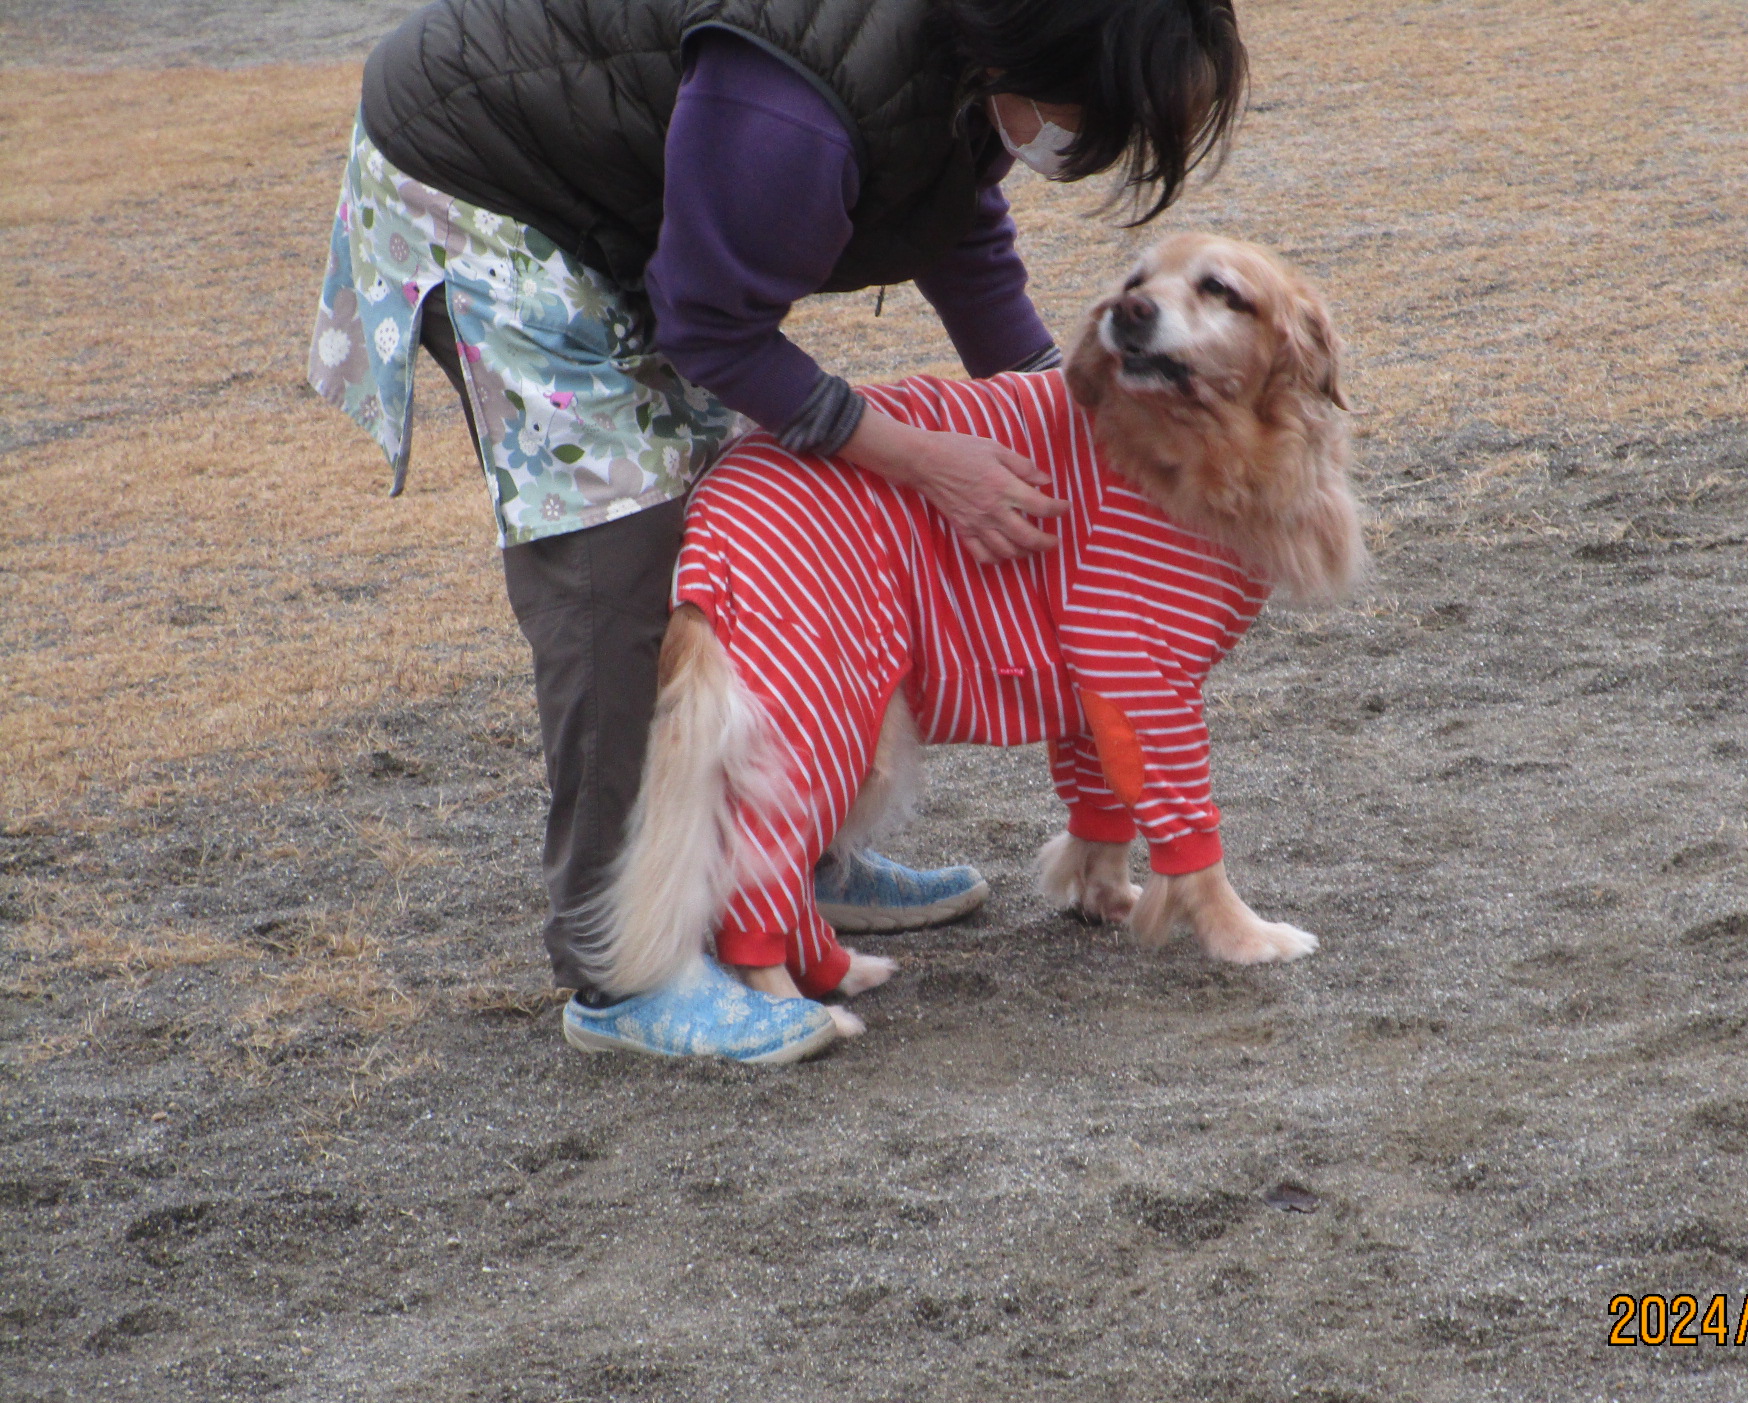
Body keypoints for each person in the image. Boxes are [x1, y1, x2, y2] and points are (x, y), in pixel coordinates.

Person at [308, 0, 1248, 1062]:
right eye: (1106, 118)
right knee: (619, 562)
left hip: (638, 207)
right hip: (491, 188)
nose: (1098, 150)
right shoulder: (796, 106)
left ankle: (782, 863)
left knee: (759, 547)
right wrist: (925, 459)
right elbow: (708, 323)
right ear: (1045, 54)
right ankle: (622, 972)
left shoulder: (968, 55)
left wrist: (1059, 417)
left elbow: (955, 226)